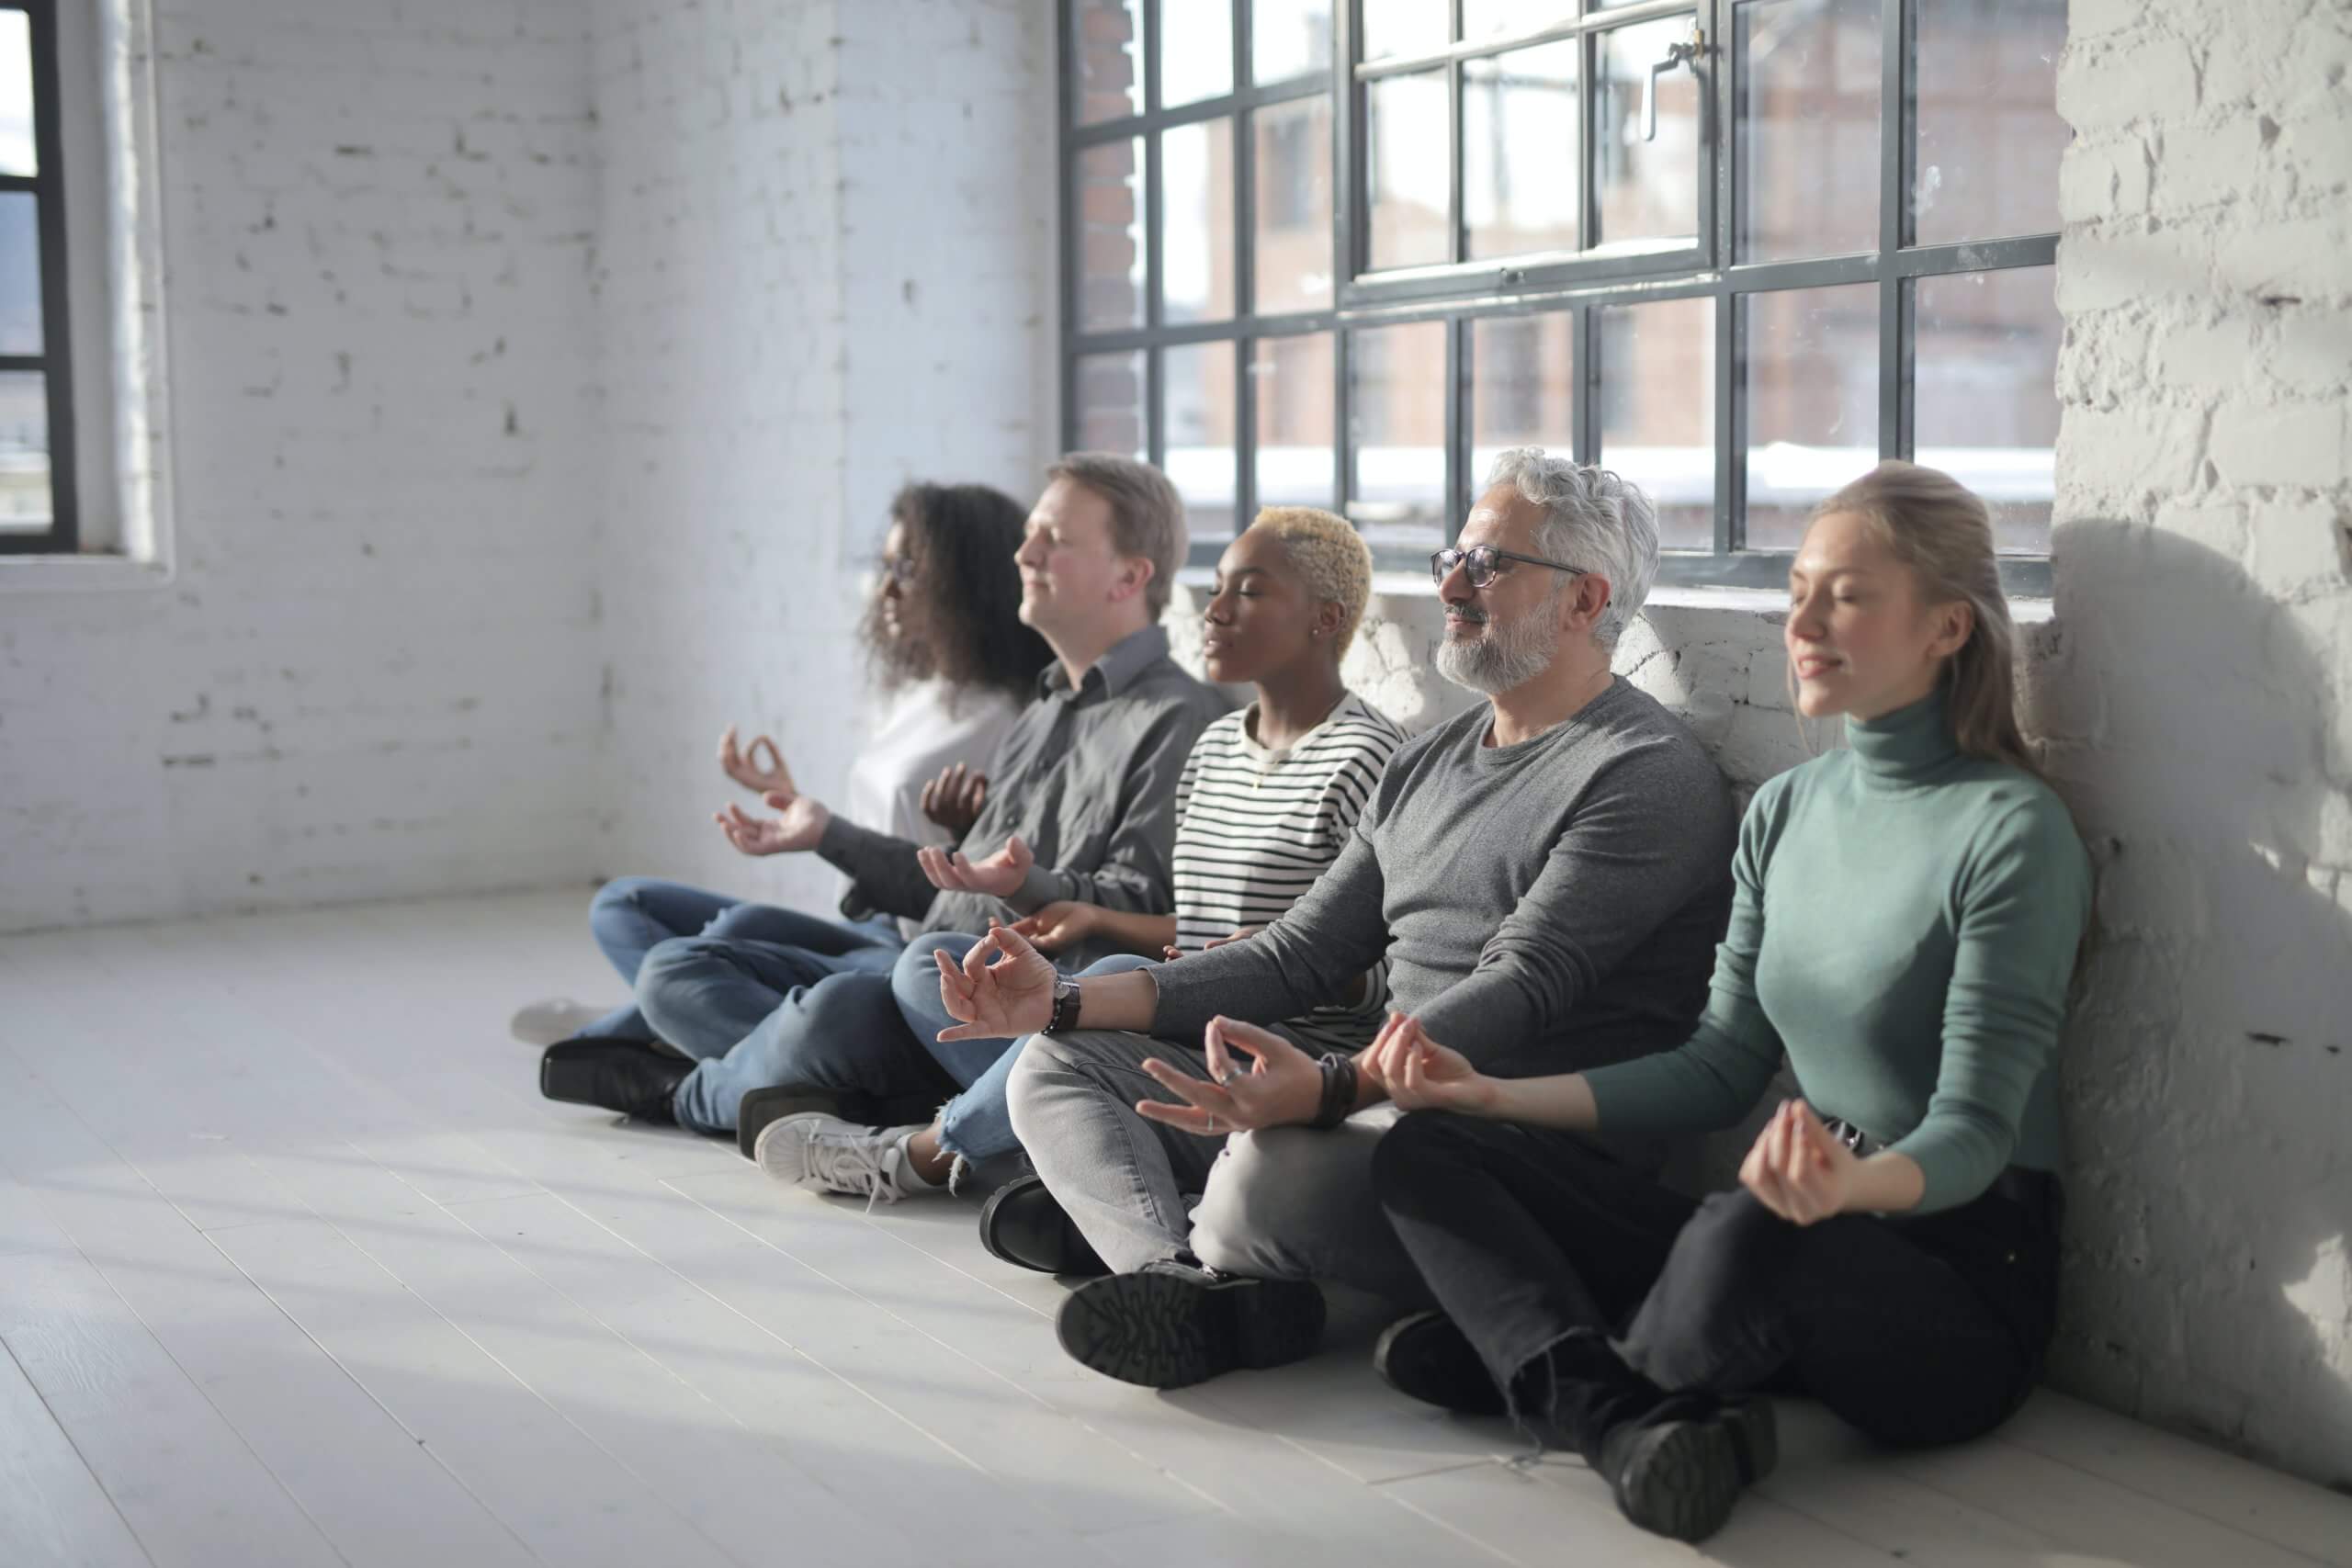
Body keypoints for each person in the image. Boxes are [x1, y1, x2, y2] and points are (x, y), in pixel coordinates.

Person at [1360, 462, 2092, 1545]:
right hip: (1787, 1214)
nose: (1802, 620)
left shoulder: (2011, 830)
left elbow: (1981, 1133)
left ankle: (1566, 1371)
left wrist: (1850, 1185)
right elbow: (1715, 1069)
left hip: (1956, 1286)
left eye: (1845, 594)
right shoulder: (1787, 809)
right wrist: (1490, 1100)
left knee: (1748, 1234)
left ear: (1945, 627)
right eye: (1797, 588)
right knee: (1428, 1151)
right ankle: (1623, 1412)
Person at [939, 450, 1739, 1391]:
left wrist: (1327, 1088)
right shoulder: (1429, 758)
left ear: (1582, 600)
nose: (1449, 582)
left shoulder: (1642, 774)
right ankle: (1180, 1280)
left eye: (1487, 565)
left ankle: (1220, 1253)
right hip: (1373, 1099)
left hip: (1498, 1152)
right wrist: (1064, 1001)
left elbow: (1521, 986)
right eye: (1455, 555)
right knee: (1054, 1067)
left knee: (1264, 1176)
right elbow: (1296, 955)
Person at [537, 455, 1228, 1136]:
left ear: (1130, 576)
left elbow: (1141, 912)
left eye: (1056, 539)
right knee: (673, 968)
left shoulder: (1176, 720)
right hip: (923, 959)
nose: (1025, 552)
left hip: (991, 1000)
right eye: (1031, 534)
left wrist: (1026, 885)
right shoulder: (1045, 709)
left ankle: (690, 1091)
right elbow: (952, 890)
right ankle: (825, 1081)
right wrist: (831, 832)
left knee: (834, 1006)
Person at [752, 506, 1408, 1209]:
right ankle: (1040, 1143)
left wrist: (1286, 959)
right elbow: (1197, 925)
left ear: (1326, 619)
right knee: (931, 964)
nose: (1213, 610)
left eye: (1248, 591)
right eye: (1216, 586)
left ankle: (917, 1154)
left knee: (1108, 987)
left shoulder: (1372, 759)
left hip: (1285, 1048)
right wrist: (1084, 911)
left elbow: (1390, 963)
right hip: (1193, 1009)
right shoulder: (1215, 747)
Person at [509, 481, 1043, 1047]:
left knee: (734, 934)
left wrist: (857, 835)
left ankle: (634, 1029)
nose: (886, 588)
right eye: (886, 565)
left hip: (920, 948)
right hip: (868, 923)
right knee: (623, 904)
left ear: (966, 582)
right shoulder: (923, 691)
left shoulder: (1012, 720)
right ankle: (677, 1021)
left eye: (908, 569)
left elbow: (983, 883)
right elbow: (883, 837)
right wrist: (798, 809)